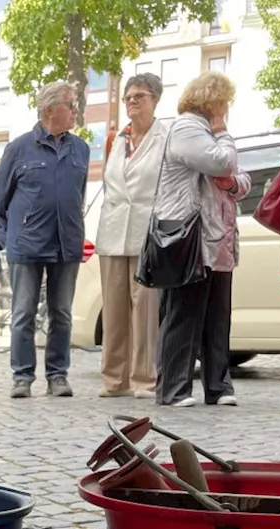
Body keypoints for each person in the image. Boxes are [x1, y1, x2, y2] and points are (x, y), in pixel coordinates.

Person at [152, 71, 250, 408]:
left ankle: (218, 386)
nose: (226, 109)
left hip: (216, 234)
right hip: (190, 235)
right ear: (213, 100)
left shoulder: (206, 132)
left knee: (217, 315)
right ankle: (174, 388)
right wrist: (223, 135)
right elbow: (223, 162)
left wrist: (235, 182)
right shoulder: (187, 127)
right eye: (224, 102)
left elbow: (239, 176)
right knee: (184, 313)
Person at [0, 81, 89, 399]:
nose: (76, 111)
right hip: (27, 246)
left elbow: (79, 195)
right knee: (23, 313)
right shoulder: (18, 148)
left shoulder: (81, 149)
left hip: (67, 244)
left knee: (61, 312)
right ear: (50, 110)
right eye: (71, 105)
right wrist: (17, 232)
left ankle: (57, 376)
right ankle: (22, 377)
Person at [94, 73, 168, 399]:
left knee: (146, 309)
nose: (132, 101)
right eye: (128, 97)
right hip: (112, 230)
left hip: (147, 231)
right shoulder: (116, 139)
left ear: (155, 99)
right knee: (113, 311)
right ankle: (114, 379)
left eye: (140, 95)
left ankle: (144, 378)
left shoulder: (166, 136)